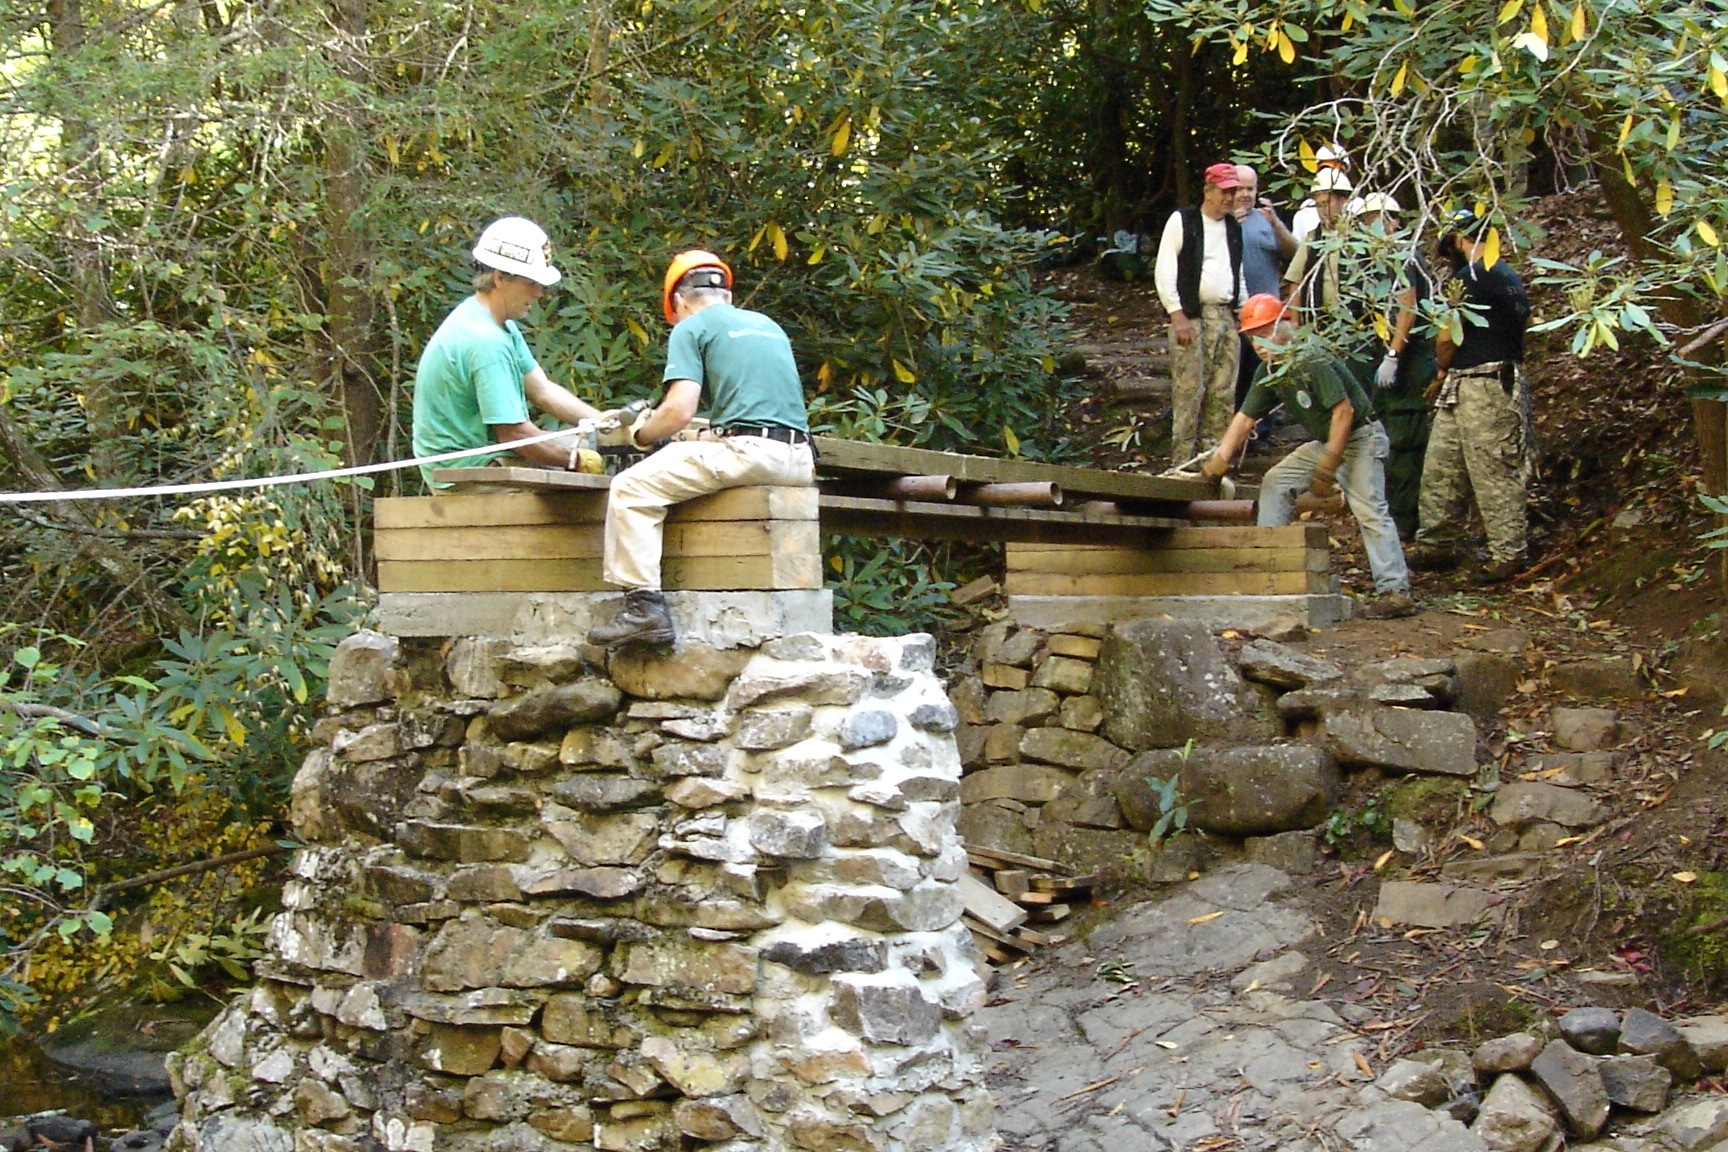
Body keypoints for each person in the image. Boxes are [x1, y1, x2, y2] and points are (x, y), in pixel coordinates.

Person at [586, 251, 815, 649]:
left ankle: (643, 609)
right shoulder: (768, 325)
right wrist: (704, 436)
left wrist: (642, 435)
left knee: (630, 488)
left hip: (751, 453)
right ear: (727, 295)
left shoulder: (691, 328)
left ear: (678, 301)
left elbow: (678, 411)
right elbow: (757, 414)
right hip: (799, 458)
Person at [1203, 294, 1415, 619]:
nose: (1259, 344)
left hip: (1361, 437)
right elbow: (1245, 418)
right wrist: (1220, 459)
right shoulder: (1270, 370)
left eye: (1265, 333)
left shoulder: (1310, 359)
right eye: (1253, 337)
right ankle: (1269, 570)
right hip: (1327, 440)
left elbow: (1344, 412)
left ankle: (1394, 591)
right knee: (1276, 482)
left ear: (1284, 327)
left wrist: (1328, 463)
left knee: (1370, 510)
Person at [411, 217, 606, 492]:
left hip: (485, 458)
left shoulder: (498, 325)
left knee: (602, 448)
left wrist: (607, 425)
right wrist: (574, 460)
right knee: (599, 486)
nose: (539, 292)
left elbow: (543, 391)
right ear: (500, 277)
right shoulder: (485, 341)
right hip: (465, 475)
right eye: (531, 282)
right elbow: (514, 434)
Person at [1410, 210, 1533, 584]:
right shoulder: (1509, 276)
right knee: (1442, 465)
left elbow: (1447, 336)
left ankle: (1508, 554)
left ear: (1458, 240)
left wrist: (1440, 364)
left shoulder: (1469, 278)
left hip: (1486, 384)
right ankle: (1437, 544)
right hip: (1468, 382)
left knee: (1492, 470)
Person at [1354, 193, 1437, 539]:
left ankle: (1405, 522)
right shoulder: (1375, 259)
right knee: (1386, 443)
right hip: (1390, 367)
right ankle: (1391, 518)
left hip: (1410, 366)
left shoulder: (1403, 255)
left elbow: (1408, 306)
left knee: (1405, 447)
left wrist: (1393, 355)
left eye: (1371, 220)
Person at [1153, 162, 1247, 466]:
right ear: (1208, 191)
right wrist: (1176, 313)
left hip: (1225, 314)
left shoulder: (1233, 227)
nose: (1230, 198)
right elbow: (1165, 269)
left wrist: (1244, 308)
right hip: (1193, 315)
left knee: (1223, 391)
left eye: (1233, 192)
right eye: (1225, 191)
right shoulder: (1184, 221)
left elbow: (1237, 270)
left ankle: (1214, 462)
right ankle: (1181, 463)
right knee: (1189, 392)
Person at [1234, 164, 1299, 408]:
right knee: (1236, 377)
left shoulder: (1265, 219)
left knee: (1266, 374)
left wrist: (1276, 225)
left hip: (1267, 315)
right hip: (1234, 313)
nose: (1245, 194)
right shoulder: (1220, 220)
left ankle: (1264, 423)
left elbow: (1296, 255)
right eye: (1239, 188)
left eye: (1250, 189)